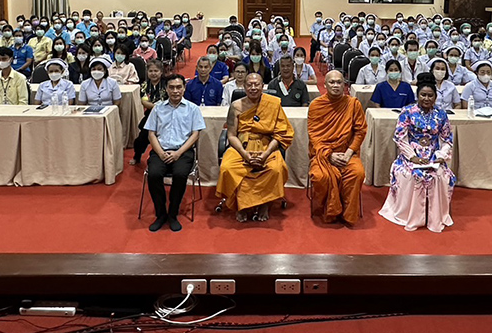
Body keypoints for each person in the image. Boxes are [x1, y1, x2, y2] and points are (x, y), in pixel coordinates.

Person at [379, 76, 455, 233]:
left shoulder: (441, 114)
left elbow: (447, 139)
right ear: (417, 95)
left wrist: (441, 155)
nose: (426, 98)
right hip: (411, 154)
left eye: (430, 95)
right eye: (423, 95)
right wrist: (412, 156)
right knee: (414, 175)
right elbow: (399, 137)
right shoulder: (407, 112)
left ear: (435, 97)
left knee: (439, 174)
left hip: (433, 155)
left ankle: (434, 217)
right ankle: (412, 216)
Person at [217, 73, 294, 223]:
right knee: (227, 168)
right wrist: (244, 154)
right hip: (242, 146)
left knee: (276, 169)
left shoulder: (272, 104)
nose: (253, 88)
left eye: (256, 84)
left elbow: (280, 134)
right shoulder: (236, 106)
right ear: (244, 87)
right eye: (249, 85)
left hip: (266, 146)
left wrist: (266, 154)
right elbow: (231, 135)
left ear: (262, 86)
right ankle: (241, 205)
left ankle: (265, 204)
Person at [143, 74, 206, 232]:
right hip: (161, 150)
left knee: (180, 175)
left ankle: (173, 213)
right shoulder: (158, 108)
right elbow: (151, 134)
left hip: (183, 151)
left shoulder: (193, 109)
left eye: (179, 87)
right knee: (154, 174)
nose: (175, 91)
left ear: (184, 88)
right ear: (166, 89)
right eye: (171, 87)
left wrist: (178, 153)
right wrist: (160, 153)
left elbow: (195, 135)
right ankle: (160, 214)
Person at [307, 70, 367, 226]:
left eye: (339, 82)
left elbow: (360, 131)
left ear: (344, 85)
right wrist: (329, 155)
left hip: (347, 152)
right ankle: (330, 210)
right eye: (332, 82)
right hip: (323, 154)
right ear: (325, 85)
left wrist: (348, 153)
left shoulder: (353, 104)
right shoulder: (316, 105)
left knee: (357, 173)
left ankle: (348, 213)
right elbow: (314, 136)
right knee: (321, 177)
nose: (335, 85)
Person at [132, 59, 166, 165]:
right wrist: (157, 107)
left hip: (166, 115)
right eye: (151, 71)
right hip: (150, 115)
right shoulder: (144, 85)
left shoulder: (166, 84)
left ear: (161, 72)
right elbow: (144, 102)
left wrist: (158, 106)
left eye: (156, 71)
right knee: (141, 139)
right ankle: (137, 156)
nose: (153, 73)